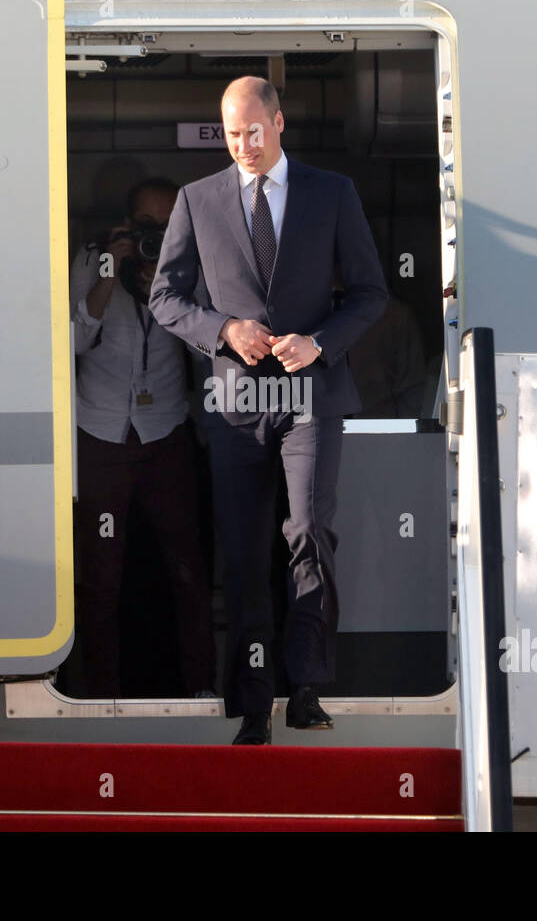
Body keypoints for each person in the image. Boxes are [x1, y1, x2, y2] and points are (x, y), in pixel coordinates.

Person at [148, 76, 388, 744]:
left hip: (311, 395)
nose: (245, 146)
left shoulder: (331, 193)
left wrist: (321, 342)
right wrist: (224, 328)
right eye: (232, 135)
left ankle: (306, 684)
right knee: (246, 551)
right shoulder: (197, 200)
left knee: (309, 531)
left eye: (255, 132)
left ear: (279, 124)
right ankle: (254, 702)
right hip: (236, 403)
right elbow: (165, 299)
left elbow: (371, 292)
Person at [69, 178, 217, 699]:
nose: (156, 234)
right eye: (146, 225)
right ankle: (99, 692)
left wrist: (168, 291)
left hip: (166, 434)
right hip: (101, 431)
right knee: (101, 575)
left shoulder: (193, 263)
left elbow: (209, 352)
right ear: (127, 223)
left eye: (166, 224)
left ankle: (201, 687)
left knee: (187, 567)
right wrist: (111, 271)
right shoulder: (95, 258)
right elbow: (74, 340)